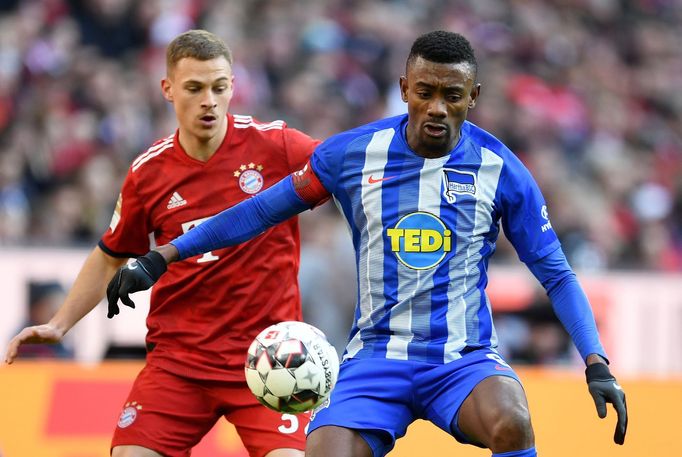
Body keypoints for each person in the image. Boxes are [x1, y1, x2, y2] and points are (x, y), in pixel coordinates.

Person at [104, 31, 628, 457]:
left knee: (513, 422)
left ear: (473, 97)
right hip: (375, 358)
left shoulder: (502, 170)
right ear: (404, 88)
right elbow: (262, 209)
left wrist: (596, 361)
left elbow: (556, 273)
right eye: (425, 91)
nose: (438, 107)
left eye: (452, 95)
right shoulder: (353, 155)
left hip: (461, 359)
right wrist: (164, 254)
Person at [5, 29, 320, 457]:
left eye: (219, 87)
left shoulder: (279, 146)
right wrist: (59, 324)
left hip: (267, 360)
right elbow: (110, 255)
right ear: (168, 90)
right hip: (179, 362)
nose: (209, 99)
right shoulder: (148, 172)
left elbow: (350, 170)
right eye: (194, 88)